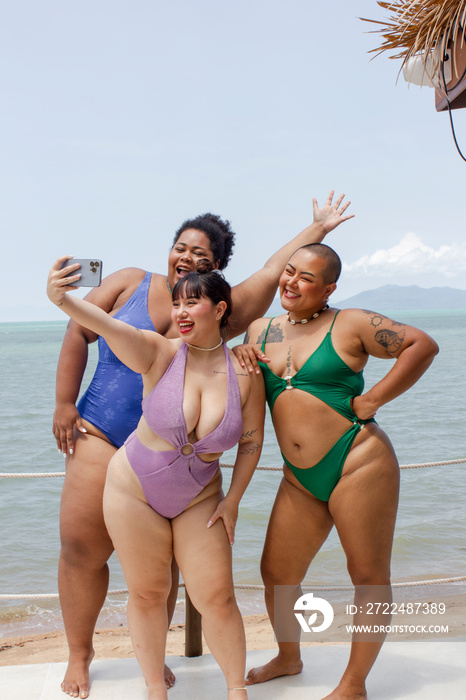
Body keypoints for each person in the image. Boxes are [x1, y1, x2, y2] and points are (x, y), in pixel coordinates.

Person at [52, 192, 353, 698]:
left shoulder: (223, 315)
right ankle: (80, 653)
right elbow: (79, 329)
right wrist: (64, 403)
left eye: (203, 260)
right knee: (82, 548)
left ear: (218, 283)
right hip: (105, 435)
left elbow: (272, 269)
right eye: (182, 248)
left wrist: (317, 230)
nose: (188, 260)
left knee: (164, 572)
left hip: (186, 470)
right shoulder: (129, 282)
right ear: (169, 248)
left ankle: (158, 662)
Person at [47, 257, 266, 700]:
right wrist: (63, 299)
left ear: (221, 310)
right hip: (134, 489)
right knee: (149, 592)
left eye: (193, 303)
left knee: (217, 596)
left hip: (201, 496)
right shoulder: (158, 353)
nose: (180, 313)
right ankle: (153, 690)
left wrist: (234, 499)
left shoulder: (245, 373)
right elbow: (108, 328)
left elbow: (250, 442)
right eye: (177, 304)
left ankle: (237, 691)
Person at [235, 243, 439, 700]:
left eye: (305, 277)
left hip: (358, 461)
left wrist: (372, 401)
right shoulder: (259, 330)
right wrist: (234, 356)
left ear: (328, 288)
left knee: (366, 575)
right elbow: (224, 363)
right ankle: (289, 657)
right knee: (276, 572)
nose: (290, 282)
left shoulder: (350, 323)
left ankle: (353, 684)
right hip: (299, 477)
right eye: (289, 272)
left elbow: (421, 345)